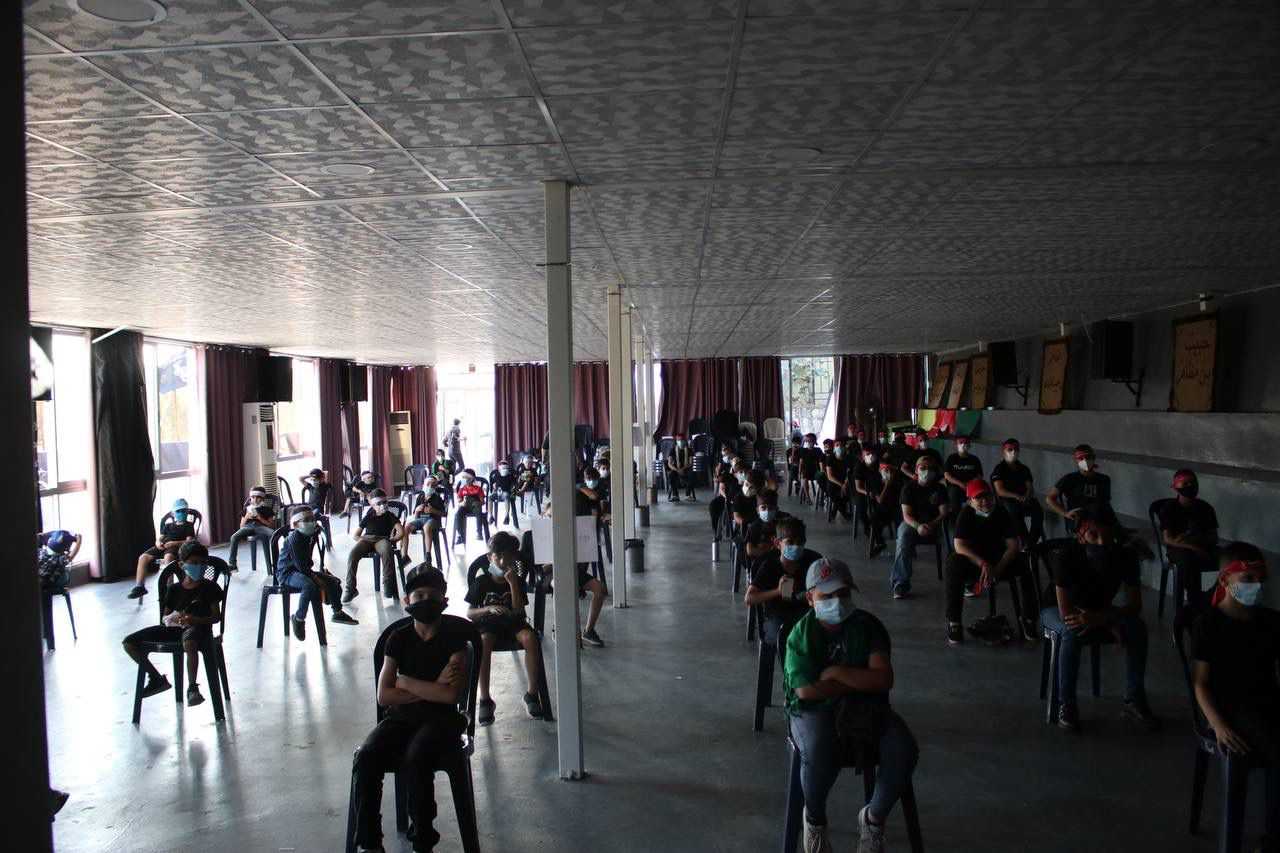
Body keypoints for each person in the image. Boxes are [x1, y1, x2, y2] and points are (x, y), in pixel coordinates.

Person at [785, 558, 919, 853]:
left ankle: (873, 819)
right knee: (819, 748)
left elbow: (883, 679)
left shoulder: (867, 626)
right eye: (827, 596)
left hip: (866, 706)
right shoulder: (801, 635)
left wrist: (836, 673)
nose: (837, 602)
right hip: (812, 710)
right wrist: (859, 679)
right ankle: (814, 820)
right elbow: (806, 691)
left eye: (843, 594)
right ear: (810, 598)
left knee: (903, 748)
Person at [351, 565, 469, 853]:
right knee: (366, 757)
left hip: (443, 720)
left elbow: (450, 695)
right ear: (407, 601)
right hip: (400, 719)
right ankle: (370, 842)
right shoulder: (398, 639)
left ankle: (423, 841)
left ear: (444, 601)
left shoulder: (455, 638)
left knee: (417, 757)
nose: (425, 601)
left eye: (432, 595)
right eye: (419, 595)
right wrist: (432, 686)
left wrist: (405, 682)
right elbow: (384, 695)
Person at [1192, 542, 1280, 842]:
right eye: (1248, 579)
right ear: (1224, 579)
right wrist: (1217, 724)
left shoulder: (1270, 621)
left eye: (1260, 579)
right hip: (1230, 707)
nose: (1257, 586)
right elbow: (1200, 684)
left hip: (1267, 698)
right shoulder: (1209, 623)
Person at [1040, 514, 1159, 733]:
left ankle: (1134, 698)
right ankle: (1066, 703)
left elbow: (1134, 605)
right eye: (1093, 535)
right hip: (1056, 609)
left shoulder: (1125, 556)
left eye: (1108, 536)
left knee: (1137, 628)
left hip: (1099, 611)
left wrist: (1104, 618)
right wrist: (1106, 621)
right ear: (1081, 535)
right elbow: (1066, 612)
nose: (1102, 542)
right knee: (1072, 630)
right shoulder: (1066, 555)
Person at [122, 542, 221, 708]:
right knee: (129, 643)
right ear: (182, 565)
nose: (200, 567)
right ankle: (156, 678)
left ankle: (192, 688)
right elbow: (165, 616)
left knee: (189, 640)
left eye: (203, 563)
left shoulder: (209, 587)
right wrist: (173, 618)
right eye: (194, 563)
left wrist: (194, 620)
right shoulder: (174, 589)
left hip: (198, 629)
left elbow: (216, 617)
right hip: (174, 629)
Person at [945, 480, 1039, 645]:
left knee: (1024, 565)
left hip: (999, 562)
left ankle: (1029, 619)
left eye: (987, 496)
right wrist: (983, 564)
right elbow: (959, 545)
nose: (984, 501)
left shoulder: (1001, 512)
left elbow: (1013, 545)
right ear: (970, 501)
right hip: (975, 562)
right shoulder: (966, 514)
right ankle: (954, 623)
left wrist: (997, 569)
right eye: (978, 498)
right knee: (953, 563)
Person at [465, 532, 545, 724]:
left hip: (513, 623)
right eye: (498, 557)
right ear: (489, 557)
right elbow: (470, 613)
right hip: (488, 626)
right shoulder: (481, 582)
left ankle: (532, 694)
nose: (502, 562)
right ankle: (485, 699)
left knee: (530, 639)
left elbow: (519, 611)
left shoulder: (516, 581)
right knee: (484, 642)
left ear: (513, 559)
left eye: (507, 558)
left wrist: (513, 584)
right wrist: (487, 609)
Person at [276, 507, 357, 639]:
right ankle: (299, 619)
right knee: (309, 585)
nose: (312, 522)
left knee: (333, 581)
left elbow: (307, 563)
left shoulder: (307, 536)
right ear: (296, 524)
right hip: (288, 573)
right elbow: (302, 567)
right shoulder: (294, 539)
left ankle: (337, 612)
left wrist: (315, 537)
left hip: (303, 570)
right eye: (307, 520)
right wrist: (316, 579)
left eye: (312, 519)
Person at [744, 517, 822, 653]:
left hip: (806, 612)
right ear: (778, 543)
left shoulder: (812, 562)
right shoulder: (769, 565)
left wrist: (813, 596)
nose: (796, 547)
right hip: (778, 616)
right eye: (790, 542)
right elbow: (749, 598)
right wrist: (778, 591)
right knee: (785, 636)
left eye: (800, 542)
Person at [1159, 469, 1220, 614]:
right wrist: (1192, 546)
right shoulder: (1169, 508)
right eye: (1185, 483)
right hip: (1179, 550)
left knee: (1232, 557)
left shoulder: (1205, 508)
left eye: (1193, 483)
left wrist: (1196, 539)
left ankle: (1217, 597)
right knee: (1188, 559)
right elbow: (1168, 539)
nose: (1190, 486)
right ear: (1176, 487)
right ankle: (1194, 602)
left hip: (1202, 546)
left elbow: (1213, 537)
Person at [890, 455, 950, 599]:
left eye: (930, 468)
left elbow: (943, 512)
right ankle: (901, 582)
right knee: (903, 536)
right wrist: (918, 526)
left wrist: (931, 525)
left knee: (955, 537)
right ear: (916, 470)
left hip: (935, 523)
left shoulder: (940, 488)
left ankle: (964, 580)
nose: (926, 471)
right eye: (923, 468)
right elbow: (906, 515)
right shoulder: (908, 488)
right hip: (913, 523)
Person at [129, 498, 197, 599]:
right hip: (162, 546)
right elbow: (160, 537)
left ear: (187, 512)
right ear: (173, 513)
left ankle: (169, 588)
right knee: (143, 557)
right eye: (178, 511)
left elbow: (189, 541)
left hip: (175, 547)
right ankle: (140, 586)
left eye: (183, 511)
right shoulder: (168, 526)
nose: (181, 513)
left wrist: (174, 543)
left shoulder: (188, 526)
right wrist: (158, 543)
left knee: (168, 558)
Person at [345, 490, 404, 603]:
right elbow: (356, 535)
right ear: (372, 505)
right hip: (367, 539)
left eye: (384, 502)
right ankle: (350, 589)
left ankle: (388, 584)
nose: (383, 505)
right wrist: (364, 542)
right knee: (353, 554)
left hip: (382, 539)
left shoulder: (389, 516)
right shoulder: (368, 516)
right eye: (379, 503)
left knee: (387, 551)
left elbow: (401, 532)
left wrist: (391, 541)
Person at [989, 438, 1043, 546]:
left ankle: (1032, 540)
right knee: (1014, 511)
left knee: (1037, 509)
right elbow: (1000, 491)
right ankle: (1024, 541)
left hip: (1023, 499)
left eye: (1016, 449)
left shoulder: (1024, 469)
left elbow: (1030, 487)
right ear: (1004, 451)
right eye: (1010, 449)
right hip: (1006, 501)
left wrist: (1027, 496)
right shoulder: (999, 469)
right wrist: (1016, 496)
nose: (1013, 452)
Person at [1047, 444, 1115, 528]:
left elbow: (1105, 503)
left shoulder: (1104, 479)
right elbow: (1050, 498)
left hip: (1099, 519)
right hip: (1078, 520)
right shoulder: (1069, 479)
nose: (1085, 461)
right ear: (1076, 460)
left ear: (1093, 458)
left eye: (1088, 457)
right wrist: (1065, 513)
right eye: (1081, 458)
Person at [227, 485, 279, 572]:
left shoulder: (267, 509)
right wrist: (246, 517)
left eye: (258, 497)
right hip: (247, 527)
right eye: (252, 497)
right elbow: (241, 526)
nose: (255, 499)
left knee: (274, 534)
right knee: (234, 537)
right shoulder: (246, 509)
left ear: (262, 498)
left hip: (261, 527)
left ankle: (277, 562)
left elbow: (271, 526)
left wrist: (260, 518)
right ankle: (232, 564)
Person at [404, 479, 447, 569]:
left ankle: (428, 556)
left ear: (435, 487)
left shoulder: (437, 497)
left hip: (433, 520)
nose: (430, 487)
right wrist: (417, 510)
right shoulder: (421, 496)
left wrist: (433, 510)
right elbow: (416, 516)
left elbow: (444, 513)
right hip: (420, 520)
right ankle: (405, 556)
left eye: (433, 485)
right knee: (406, 527)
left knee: (426, 527)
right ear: (424, 485)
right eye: (428, 484)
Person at [942, 436, 983, 514]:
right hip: (955, 486)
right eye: (961, 442)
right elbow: (947, 475)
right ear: (956, 445)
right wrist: (960, 484)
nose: (963, 444)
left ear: (969, 445)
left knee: (979, 498)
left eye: (966, 442)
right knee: (954, 494)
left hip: (971, 486)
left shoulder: (974, 459)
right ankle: (955, 517)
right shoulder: (951, 458)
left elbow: (979, 476)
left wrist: (969, 484)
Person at [37, 529, 81, 595]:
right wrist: (79, 541)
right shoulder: (60, 559)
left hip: (36, 580)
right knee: (64, 574)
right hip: (46, 584)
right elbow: (71, 556)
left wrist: (51, 533)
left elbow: (38, 535)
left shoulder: (40, 552)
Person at [453, 469, 489, 546]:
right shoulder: (462, 489)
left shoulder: (478, 489)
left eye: (465, 477)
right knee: (458, 514)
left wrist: (478, 503)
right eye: (463, 478)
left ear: (471, 479)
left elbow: (483, 502)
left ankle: (479, 533)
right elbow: (459, 502)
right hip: (465, 507)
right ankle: (460, 535)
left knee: (477, 507)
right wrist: (462, 503)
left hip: (475, 507)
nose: (463, 479)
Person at [301, 468, 334, 547]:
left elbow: (326, 472)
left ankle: (313, 532)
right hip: (309, 510)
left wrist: (320, 475)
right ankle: (305, 534)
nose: (314, 481)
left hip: (318, 511)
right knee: (301, 516)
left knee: (312, 515)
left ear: (321, 479)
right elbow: (300, 478)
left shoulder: (324, 486)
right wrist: (310, 475)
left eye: (316, 480)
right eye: (312, 480)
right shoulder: (310, 487)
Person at [824, 440, 852, 523]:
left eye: (841, 445)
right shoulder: (830, 458)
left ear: (844, 447)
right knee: (833, 492)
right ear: (834, 447)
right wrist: (841, 485)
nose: (839, 447)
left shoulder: (847, 458)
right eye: (837, 445)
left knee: (846, 493)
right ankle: (844, 513)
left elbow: (848, 473)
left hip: (845, 481)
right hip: (833, 482)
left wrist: (845, 484)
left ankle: (834, 511)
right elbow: (830, 476)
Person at [665, 434, 696, 501]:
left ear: (685, 441)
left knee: (692, 474)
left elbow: (690, 463)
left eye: (682, 440)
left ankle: (688, 495)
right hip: (676, 469)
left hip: (686, 468)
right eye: (678, 440)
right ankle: (675, 495)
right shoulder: (673, 450)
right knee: (671, 475)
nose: (680, 441)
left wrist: (682, 469)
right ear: (676, 441)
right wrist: (677, 470)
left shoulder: (689, 450)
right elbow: (669, 464)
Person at [489, 459, 520, 528]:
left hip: (506, 493)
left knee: (506, 495)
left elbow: (515, 484)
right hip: (497, 492)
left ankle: (507, 516)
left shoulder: (510, 475)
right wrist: (493, 487)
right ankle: (491, 516)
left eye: (505, 468)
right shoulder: (496, 475)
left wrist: (514, 489)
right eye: (502, 468)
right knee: (490, 497)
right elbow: (492, 483)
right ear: (499, 468)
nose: (504, 469)